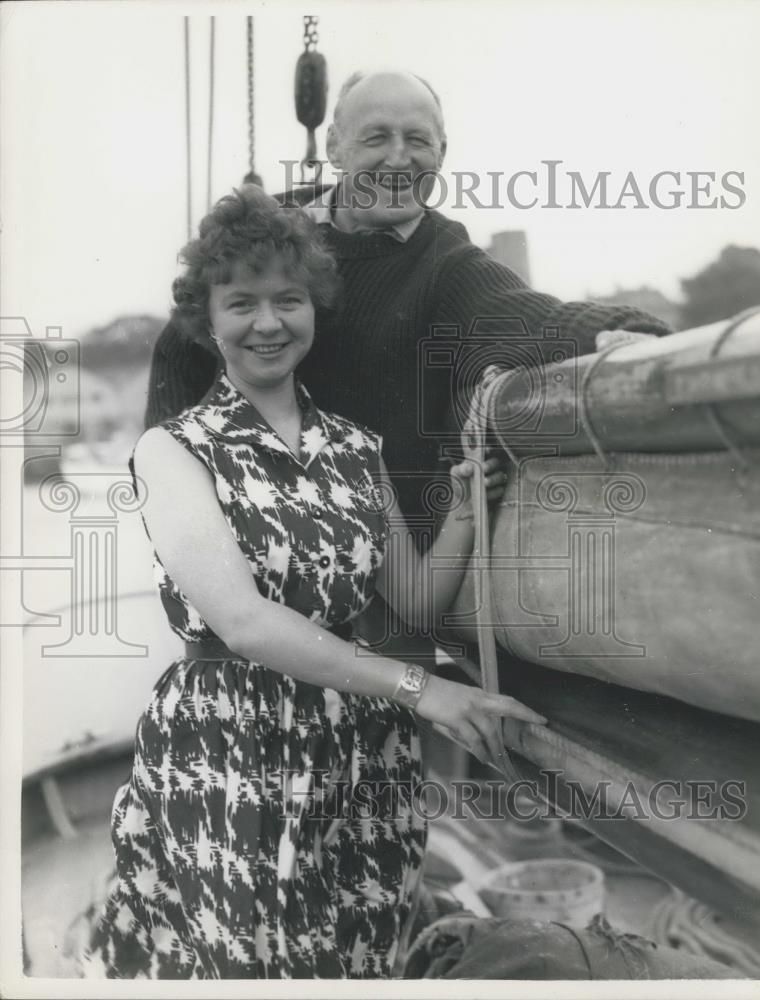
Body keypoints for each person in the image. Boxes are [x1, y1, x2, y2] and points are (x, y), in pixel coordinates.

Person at [82, 187, 544, 979]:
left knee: (354, 960)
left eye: (288, 299)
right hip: (232, 749)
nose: (268, 322)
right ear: (207, 319)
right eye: (242, 303)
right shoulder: (173, 449)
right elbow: (243, 623)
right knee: (245, 964)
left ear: (315, 309)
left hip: (361, 757)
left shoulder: (353, 448)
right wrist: (427, 691)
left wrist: (466, 508)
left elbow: (414, 601)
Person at [145, 70, 673, 541]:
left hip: (374, 550)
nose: (399, 158)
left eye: (417, 140)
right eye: (376, 137)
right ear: (334, 147)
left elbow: (528, 314)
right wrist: (177, 490)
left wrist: (622, 329)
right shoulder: (277, 227)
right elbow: (179, 348)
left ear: (441, 152)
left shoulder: (443, 259)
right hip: (251, 525)